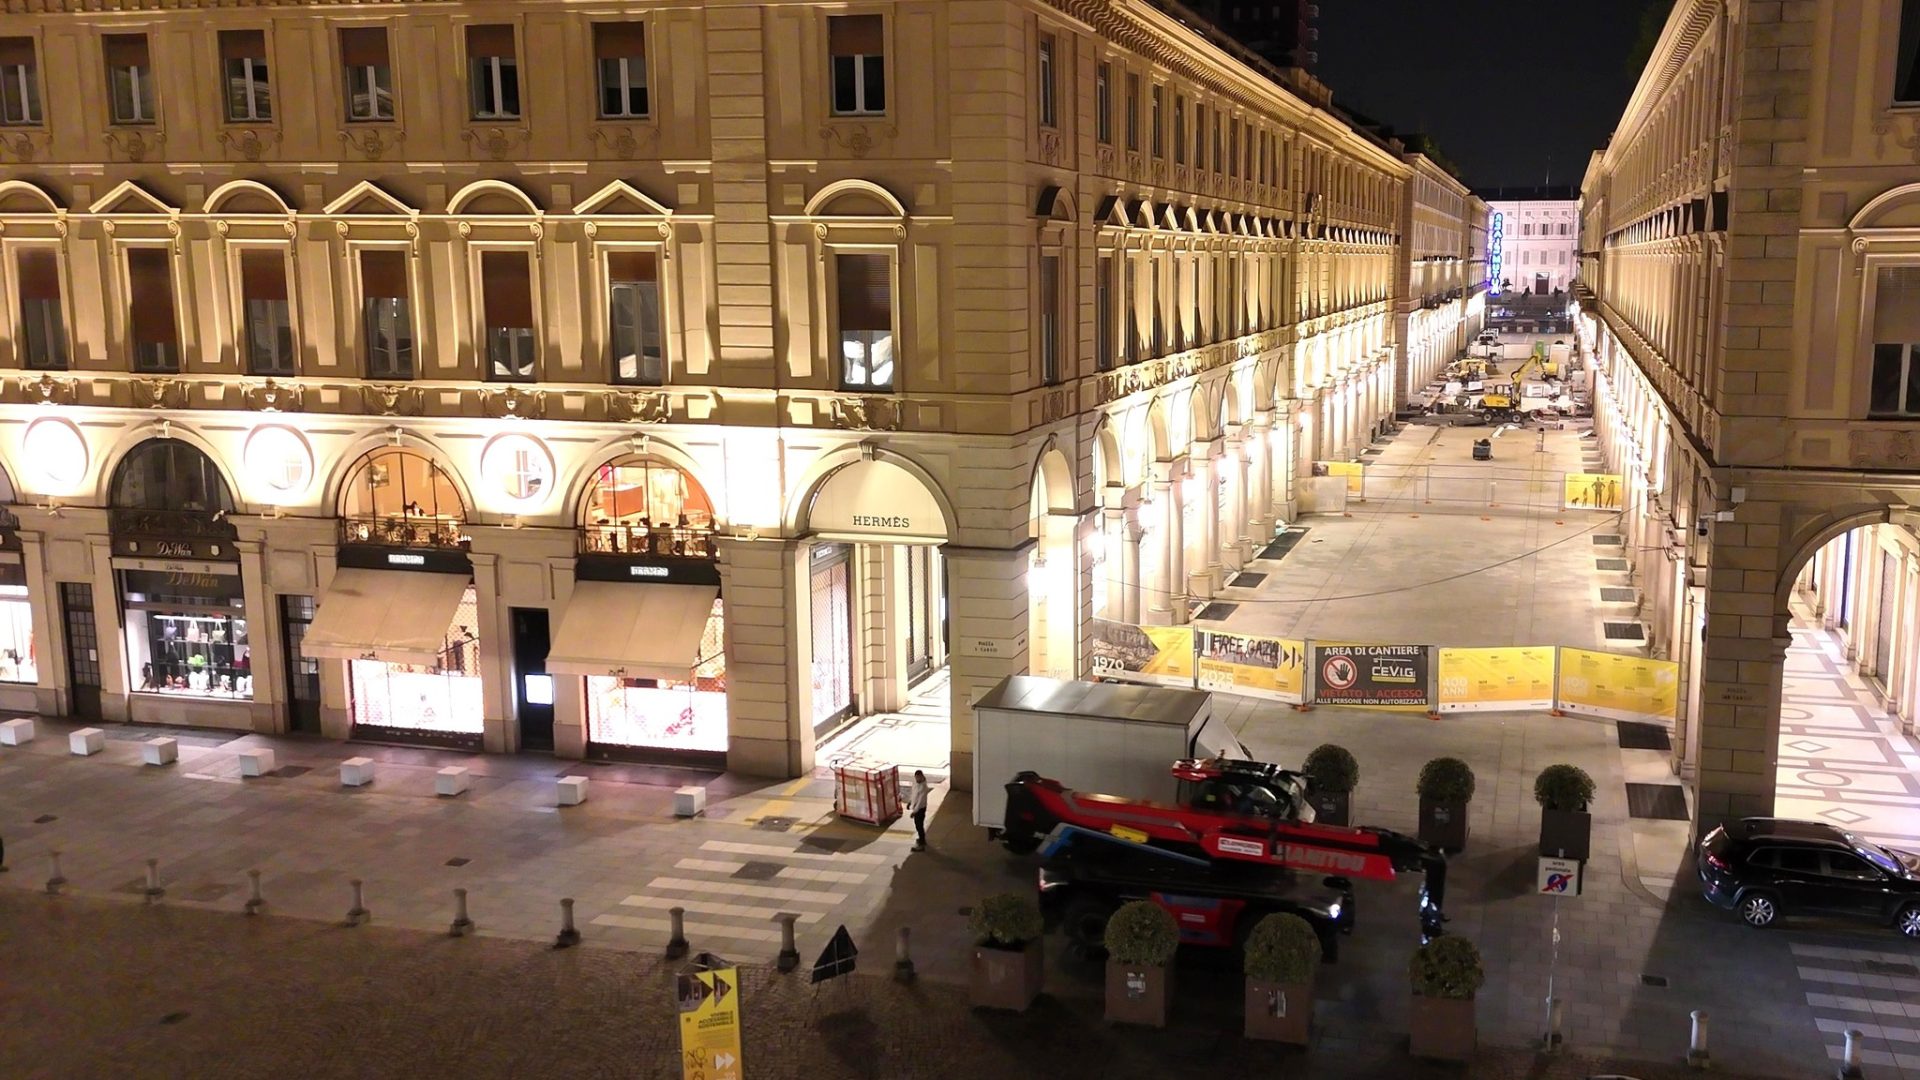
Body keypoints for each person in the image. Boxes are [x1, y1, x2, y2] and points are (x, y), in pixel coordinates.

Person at [906, 770, 930, 852]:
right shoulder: (916, 783)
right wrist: (910, 802)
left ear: (921, 777)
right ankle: (921, 839)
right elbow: (913, 794)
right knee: (918, 825)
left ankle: (922, 844)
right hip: (916, 807)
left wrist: (914, 812)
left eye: (918, 777)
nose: (916, 779)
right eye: (915, 777)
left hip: (920, 809)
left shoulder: (923, 787)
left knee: (919, 825)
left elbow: (920, 802)